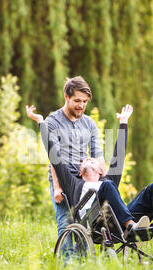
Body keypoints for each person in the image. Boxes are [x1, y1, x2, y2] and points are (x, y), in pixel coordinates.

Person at [27, 104, 153, 241]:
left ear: (99, 170)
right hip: (98, 224)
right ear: (79, 172)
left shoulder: (107, 179)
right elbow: (54, 154)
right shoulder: (74, 183)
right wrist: (41, 122)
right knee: (108, 186)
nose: (87, 159)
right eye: (84, 160)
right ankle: (131, 226)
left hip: (120, 216)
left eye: (92, 160)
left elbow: (119, 156)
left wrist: (123, 122)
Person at [26, 76, 106, 245]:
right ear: (66, 97)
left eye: (85, 102)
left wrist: (104, 178)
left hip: (83, 178)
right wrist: (57, 187)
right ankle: (68, 267)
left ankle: (83, 265)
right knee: (66, 223)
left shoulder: (89, 124)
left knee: (86, 223)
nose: (81, 106)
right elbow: (55, 158)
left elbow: (97, 153)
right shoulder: (53, 122)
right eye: (77, 100)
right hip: (62, 177)